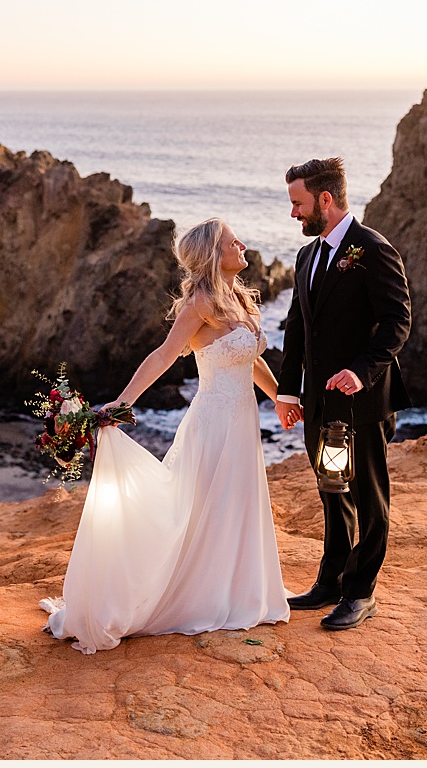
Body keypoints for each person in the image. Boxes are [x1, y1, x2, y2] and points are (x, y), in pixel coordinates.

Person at [38, 218, 293, 653]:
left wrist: (281, 398)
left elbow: (250, 360)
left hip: (243, 421)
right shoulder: (201, 302)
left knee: (234, 506)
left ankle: (233, 592)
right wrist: (121, 404)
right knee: (200, 511)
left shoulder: (239, 299)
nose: (244, 245)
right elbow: (163, 356)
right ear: (216, 253)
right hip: (213, 424)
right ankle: (195, 597)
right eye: (235, 242)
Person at [271, 156, 411, 631]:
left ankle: (361, 592)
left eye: (298, 203)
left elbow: (398, 320)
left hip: (364, 399)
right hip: (319, 402)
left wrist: (362, 369)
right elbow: (297, 330)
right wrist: (289, 393)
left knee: (368, 496)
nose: (293, 214)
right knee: (332, 490)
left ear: (324, 200)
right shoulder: (307, 256)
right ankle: (330, 581)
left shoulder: (372, 249)